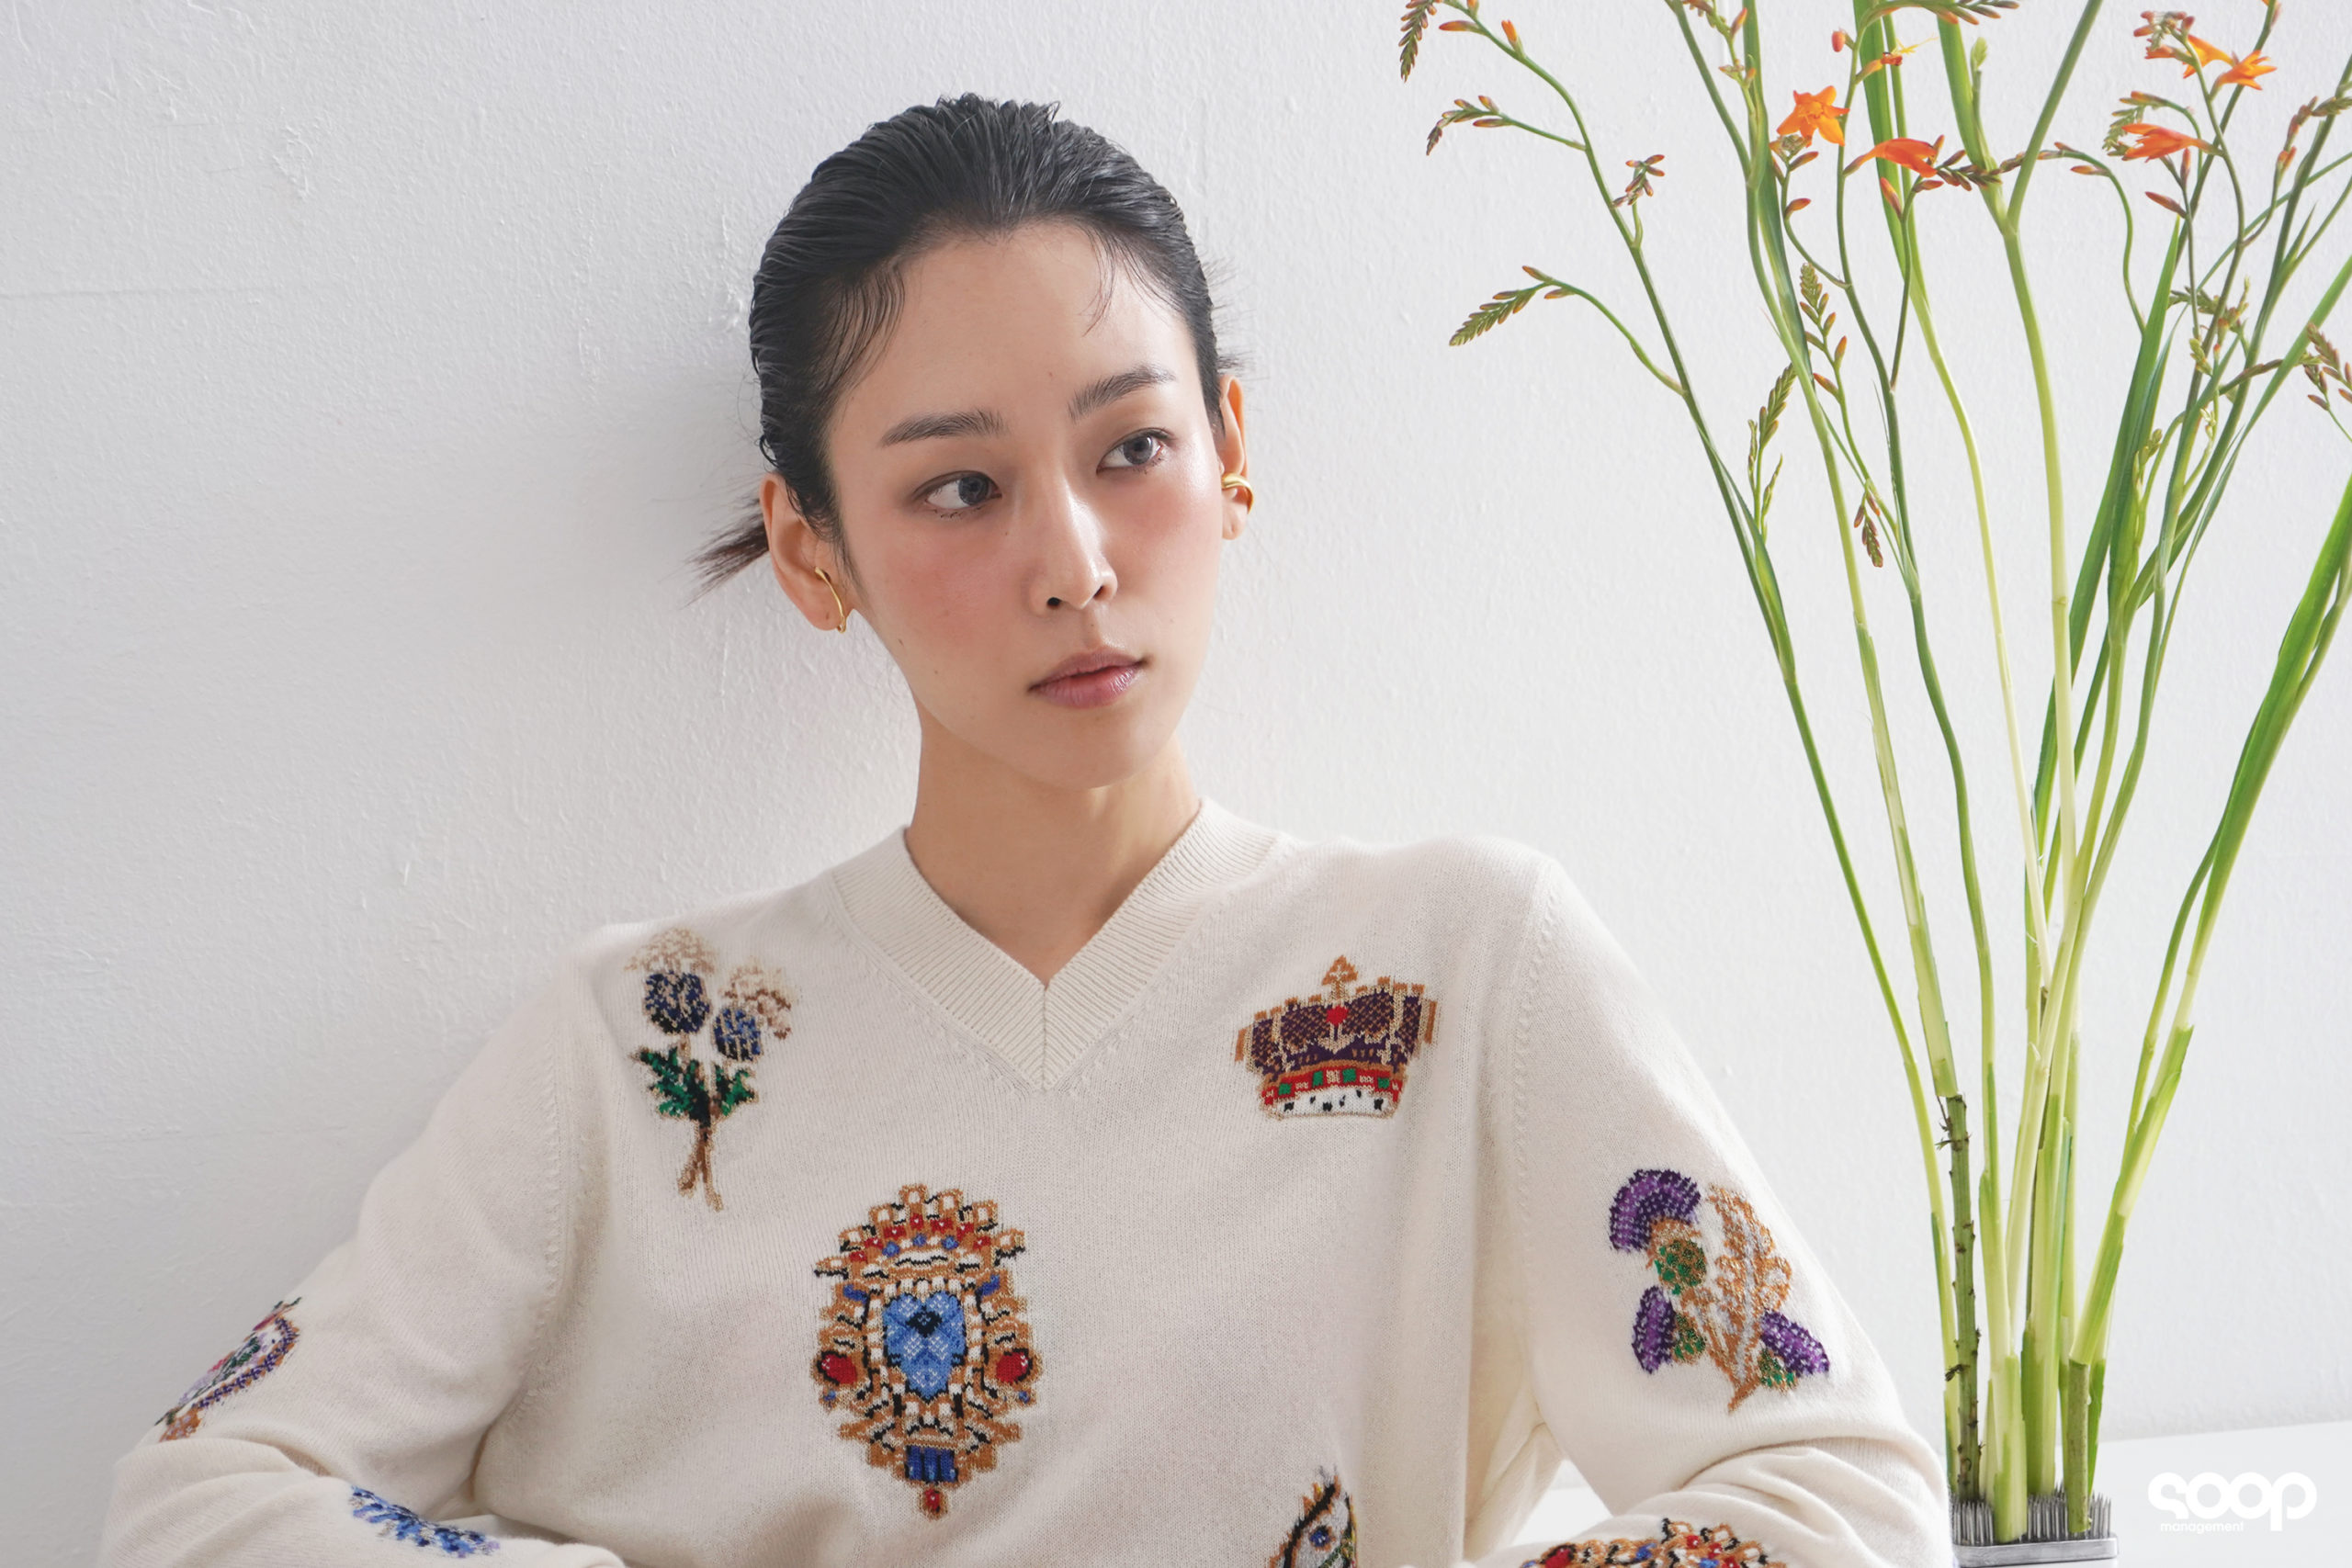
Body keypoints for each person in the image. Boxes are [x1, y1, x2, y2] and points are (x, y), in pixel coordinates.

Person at [98, 95, 1946, 1568]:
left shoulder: (1462, 969)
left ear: (1231, 450)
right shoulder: (640, 1050)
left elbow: (1835, 1495)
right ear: (812, 545)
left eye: (1130, 448)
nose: (1071, 560)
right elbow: (208, 1497)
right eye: (960, 486)